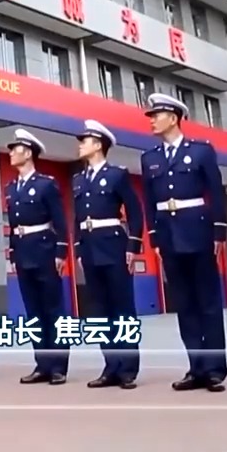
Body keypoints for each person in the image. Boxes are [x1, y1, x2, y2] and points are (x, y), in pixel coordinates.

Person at [141, 93, 227, 392]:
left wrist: (219, 231)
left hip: (198, 231)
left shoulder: (201, 151)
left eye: (157, 115)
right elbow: (149, 201)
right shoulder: (150, 158)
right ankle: (196, 366)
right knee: (185, 304)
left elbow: (215, 192)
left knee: (208, 302)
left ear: (174, 118)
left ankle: (215, 369)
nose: (152, 120)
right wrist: (154, 235)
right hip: (168, 235)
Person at [73, 120, 144, 389]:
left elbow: (134, 211)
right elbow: (77, 217)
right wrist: (78, 248)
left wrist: (133, 246)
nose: (80, 145)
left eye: (85, 141)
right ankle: (110, 366)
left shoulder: (117, 175)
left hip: (114, 246)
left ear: (98, 144)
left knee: (122, 308)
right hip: (90, 249)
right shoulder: (78, 179)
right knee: (99, 310)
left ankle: (128, 368)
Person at [4, 128, 71, 385]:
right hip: (23, 252)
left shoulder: (45, 184)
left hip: (44, 250)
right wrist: (12, 252)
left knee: (53, 310)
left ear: (28, 153)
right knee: (33, 312)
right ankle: (42, 364)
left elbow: (59, 220)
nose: (11, 153)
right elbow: (14, 224)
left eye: (16, 149)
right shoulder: (12, 188)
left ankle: (59, 366)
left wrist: (61, 251)